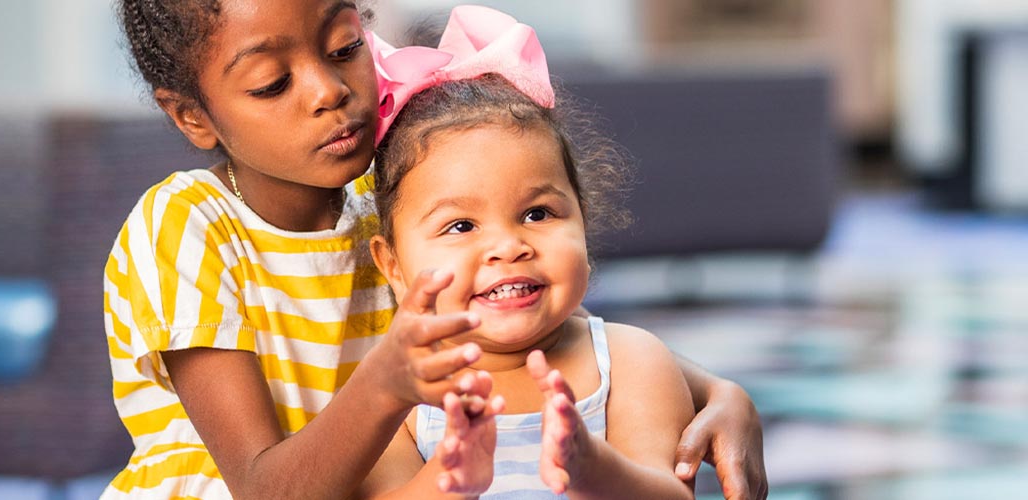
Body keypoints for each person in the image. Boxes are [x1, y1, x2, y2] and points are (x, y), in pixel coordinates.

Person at [103, 1, 767, 498]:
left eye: (342, 47)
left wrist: (717, 390)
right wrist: (386, 385)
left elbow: (555, 327)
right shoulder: (189, 228)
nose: (329, 91)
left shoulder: (388, 197)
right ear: (192, 115)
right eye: (274, 82)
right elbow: (261, 487)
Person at [356, 7, 698, 498]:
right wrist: (448, 481)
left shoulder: (629, 362)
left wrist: (591, 467)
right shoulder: (395, 394)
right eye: (460, 225)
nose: (508, 247)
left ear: (582, 215)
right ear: (393, 265)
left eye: (538, 214)